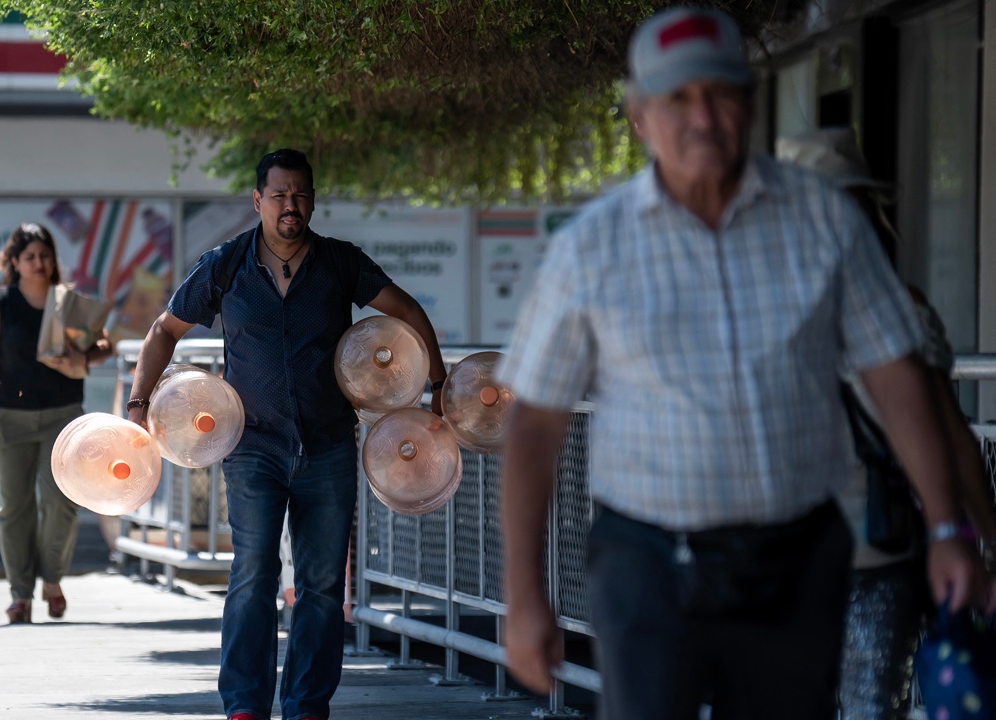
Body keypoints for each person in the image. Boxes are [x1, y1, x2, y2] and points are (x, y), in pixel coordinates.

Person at [496, 8, 991, 720]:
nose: (702, 115)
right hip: (647, 565)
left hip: (795, 561)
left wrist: (948, 529)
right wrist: (523, 599)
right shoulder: (589, 250)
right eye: (677, 98)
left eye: (721, 92)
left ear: (750, 102)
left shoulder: (824, 223)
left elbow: (898, 376)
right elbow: (533, 428)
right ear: (639, 117)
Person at [125, 148, 447, 720]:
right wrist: (137, 402)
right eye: (278, 195)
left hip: (327, 445)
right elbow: (162, 331)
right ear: (258, 201)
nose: (289, 205)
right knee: (252, 573)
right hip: (251, 447)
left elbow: (406, 309)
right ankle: (245, 705)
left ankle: (305, 707)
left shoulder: (341, 263)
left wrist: (440, 380)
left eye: (299, 193)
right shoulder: (225, 264)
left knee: (323, 586)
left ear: (313, 199)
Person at [777, 128, 996, 720]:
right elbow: (953, 439)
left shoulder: (757, 312)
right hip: (869, 553)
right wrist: (980, 541)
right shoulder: (903, 306)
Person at [0, 222, 111, 624]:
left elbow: (104, 344)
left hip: (62, 418)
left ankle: (52, 579)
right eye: (29, 257)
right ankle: (20, 594)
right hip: (9, 417)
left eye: (44, 255)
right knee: (15, 507)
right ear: (14, 262)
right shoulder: (1, 303)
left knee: (61, 501)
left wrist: (84, 359)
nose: (39, 263)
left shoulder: (67, 303)